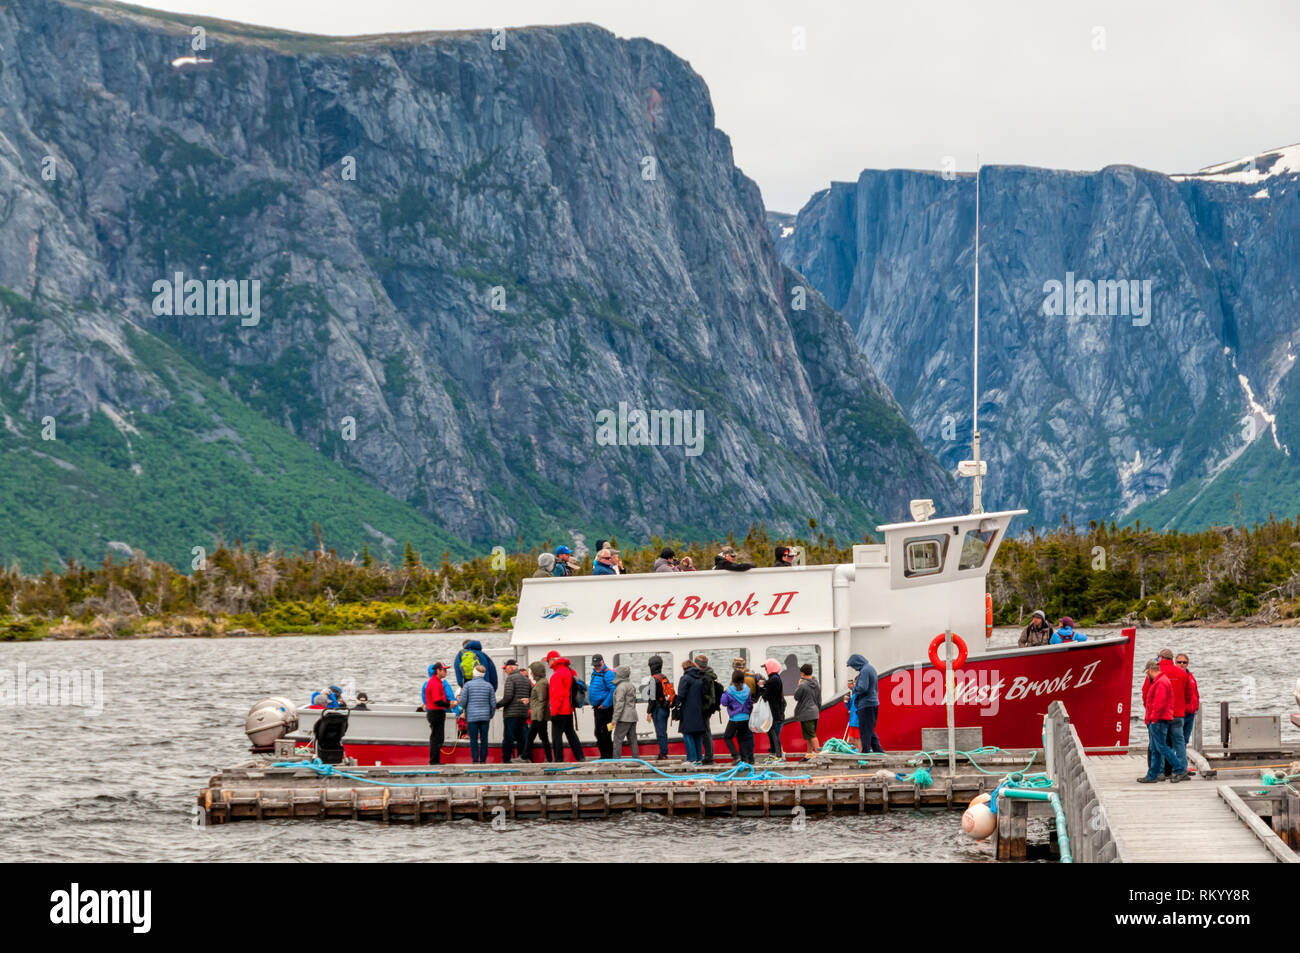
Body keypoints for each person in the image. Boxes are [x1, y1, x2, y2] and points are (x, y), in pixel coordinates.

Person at [1138, 659, 1178, 783]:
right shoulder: (1162, 680)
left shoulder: (1159, 682)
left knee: (1160, 747)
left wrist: (1153, 719)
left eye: (1147, 672)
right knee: (1157, 749)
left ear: (1150, 670)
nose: (1147, 675)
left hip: (1157, 720)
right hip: (1161, 718)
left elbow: (1157, 703)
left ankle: (1179, 768)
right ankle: (1153, 774)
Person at [1157, 648, 1190, 780]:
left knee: (1161, 743)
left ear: (1160, 658)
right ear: (1172, 659)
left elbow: (1147, 692)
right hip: (1178, 714)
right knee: (1179, 743)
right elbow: (1188, 693)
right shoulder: (1182, 673)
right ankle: (1182, 769)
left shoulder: (1156, 671)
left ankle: (1160, 771)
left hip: (1162, 714)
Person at [546, 650, 584, 761]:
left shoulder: (556, 675)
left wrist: (553, 712)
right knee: (571, 734)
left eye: (548, 661)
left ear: (553, 660)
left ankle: (559, 760)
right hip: (569, 709)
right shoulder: (569, 671)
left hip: (560, 710)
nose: (548, 664)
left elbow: (558, 695)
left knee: (556, 736)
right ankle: (580, 756)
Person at [847, 653, 885, 753]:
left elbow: (862, 688)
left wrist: (853, 688)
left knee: (864, 731)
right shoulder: (870, 669)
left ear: (856, 663)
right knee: (869, 729)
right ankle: (879, 751)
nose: (854, 669)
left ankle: (865, 753)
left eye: (853, 666)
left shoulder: (864, 671)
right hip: (872, 704)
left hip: (866, 705)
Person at [460, 664, 496, 764]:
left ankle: (475, 760)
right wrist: (490, 715)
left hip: (472, 717)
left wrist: (465, 709)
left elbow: (462, 702)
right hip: (485, 717)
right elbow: (493, 704)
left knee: (473, 740)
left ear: (474, 673)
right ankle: (483, 760)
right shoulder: (489, 686)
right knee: (484, 740)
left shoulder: (467, 685)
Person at [498, 659, 532, 763]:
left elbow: (508, 697)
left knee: (509, 737)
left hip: (511, 714)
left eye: (505, 669)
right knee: (522, 737)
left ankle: (506, 759)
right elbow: (531, 696)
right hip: (523, 713)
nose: (505, 672)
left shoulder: (510, 679)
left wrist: (497, 705)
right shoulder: (526, 679)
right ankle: (522, 757)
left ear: (510, 668)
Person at [677, 657, 709, 764]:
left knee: (687, 734)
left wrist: (675, 704)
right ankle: (699, 759)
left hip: (687, 710)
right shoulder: (700, 677)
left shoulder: (685, 678)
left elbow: (681, 695)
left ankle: (691, 759)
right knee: (697, 735)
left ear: (685, 668)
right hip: (699, 710)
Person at [720, 669, 755, 764]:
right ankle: (745, 759)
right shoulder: (747, 689)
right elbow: (749, 702)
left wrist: (724, 692)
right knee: (742, 738)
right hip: (746, 718)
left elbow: (724, 703)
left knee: (727, 737)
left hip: (735, 719)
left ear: (733, 679)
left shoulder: (729, 690)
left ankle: (736, 756)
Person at [588, 654, 618, 758]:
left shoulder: (608, 673)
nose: (597, 668)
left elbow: (613, 690)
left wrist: (605, 704)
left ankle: (608, 755)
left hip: (607, 709)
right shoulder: (594, 673)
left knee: (606, 733)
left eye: (598, 665)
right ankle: (603, 755)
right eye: (595, 666)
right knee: (597, 732)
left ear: (603, 662)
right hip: (597, 709)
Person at [694, 654, 722, 764]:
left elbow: (704, 695)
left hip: (704, 708)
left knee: (705, 732)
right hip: (709, 708)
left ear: (698, 665)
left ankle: (709, 757)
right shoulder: (709, 675)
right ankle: (708, 755)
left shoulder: (703, 677)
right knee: (706, 731)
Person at [645, 654, 674, 759]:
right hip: (665, 708)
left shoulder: (653, 680)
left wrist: (649, 712)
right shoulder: (664, 677)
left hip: (658, 709)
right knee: (663, 731)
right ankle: (664, 751)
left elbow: (652, 698)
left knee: (660, 732)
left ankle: (663, 754)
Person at [422, 663, 451, 764]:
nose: (446, 672)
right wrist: (448, 704)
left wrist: (447, 702)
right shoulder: (434, 683)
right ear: (438, 671)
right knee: (436, 738)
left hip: (436, 712)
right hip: (435, 712)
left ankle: (435, 760)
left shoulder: (437, 682)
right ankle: (434, 761)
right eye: (444, 670)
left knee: (438, 737)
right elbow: (437, 700)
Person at [524, 660, 553, 762]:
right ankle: (525, 756)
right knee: (532, 736)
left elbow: (542, 700)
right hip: (537, 714)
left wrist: (540, 716)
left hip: (539, 715)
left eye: (532, 671)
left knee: (542, 737)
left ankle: (548, 758)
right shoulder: (541, 682)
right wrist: (530, 700)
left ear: (536, 672)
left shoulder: (541, 684)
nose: (531, 673)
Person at [758, 658, 786, 762]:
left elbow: (766, 696)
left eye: (766, 668)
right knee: (772, 733)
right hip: (775, 711)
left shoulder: (773, 679)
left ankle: (778, 755)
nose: (765, 670)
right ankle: (773, 755)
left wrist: (761, 688)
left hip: (773, 712)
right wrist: (765, 684)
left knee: (773, 733)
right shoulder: (776, 678)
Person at [610, 665, 640, 758]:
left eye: (616, 673)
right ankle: (636, 758)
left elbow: (619, 704)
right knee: (633, 739)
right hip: (633, 716)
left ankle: (616, 760)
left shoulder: (620, 687)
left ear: (620, 675)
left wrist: (614, 720)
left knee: (617, 738)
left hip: (624, 717)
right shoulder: (631, 685)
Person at [793, 663, 821, 758]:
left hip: (806, 713)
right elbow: (819, 699)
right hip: (815, 711)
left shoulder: (803, 685)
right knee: (809, 735)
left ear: (803, 673)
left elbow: (796, 697)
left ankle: (819, 756)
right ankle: (808, 755)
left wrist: (799, 684)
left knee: (812, 736)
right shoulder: (816, 683)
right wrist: (818, 710)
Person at [1178, 653, 1200, 758]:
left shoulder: (1191, 676)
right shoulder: (1176, 676)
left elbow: (1195, 693)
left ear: (1187, 663)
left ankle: (1182, 765)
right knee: (1177, 740)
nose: (1182, 664)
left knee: (1185, 739)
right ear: (1175, 663)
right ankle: (1174, 766)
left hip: (1191, 712)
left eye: (1184, 662)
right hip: (1180, 713)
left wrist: (1196, 707)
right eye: (1179, 662)